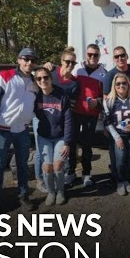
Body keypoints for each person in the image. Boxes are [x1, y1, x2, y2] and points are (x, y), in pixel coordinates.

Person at [0, 47, 39, 213]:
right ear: (19, 60)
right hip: (2, 129)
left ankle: (23, 196)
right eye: (26, 59)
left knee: (22, 165)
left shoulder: (35, 82)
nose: (29, 62)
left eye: (32, 60)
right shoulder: (4, 76)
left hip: (23, 130)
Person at [33, 67, 72, 206]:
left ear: (51, 78)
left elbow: (68, 120)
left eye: (45, 77)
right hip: (44, 136)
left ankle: (60, 191)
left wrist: (67, 142)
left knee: (58, 164)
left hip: (60, 136)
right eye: (39, 78)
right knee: (47, 167)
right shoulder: (35, 95)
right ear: (36, 81)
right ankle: (51, 192)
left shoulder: (61, 94)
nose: (43, 80)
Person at [71, 44, 107, 187]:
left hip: (91, 115)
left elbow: (107, 96)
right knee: (72, 143)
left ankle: (86, 174)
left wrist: (97, 101)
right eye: (90, 54)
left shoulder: (104, 73)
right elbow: (65, 83)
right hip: (75, 113)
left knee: (87, 146)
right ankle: (70, 172)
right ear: (86, 55)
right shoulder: (77, 69)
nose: (92, 57)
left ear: (99, 56)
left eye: (95, 55)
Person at [103, 73, 130, 195]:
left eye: (124, 83)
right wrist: (116, 137)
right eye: (118, 83)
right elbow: (107, 121)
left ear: (128, 84)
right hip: (118, 135)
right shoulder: (109, 101)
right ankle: (120, 181)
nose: (121, 85)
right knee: (120, 159)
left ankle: (127, 180)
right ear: (114, 86)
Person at [50, 47, 80, 186]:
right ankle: (44, 178)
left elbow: (71, 105)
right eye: (67, 62)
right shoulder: (51, 74)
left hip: (66, 119)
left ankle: (70, 172)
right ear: (61, 61)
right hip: (48, 118)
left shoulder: (74, 83)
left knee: (69, 146)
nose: (70, 65)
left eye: (73, 63)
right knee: (46, 151)